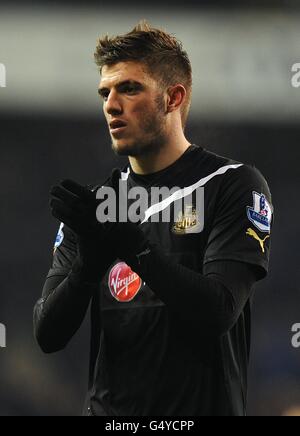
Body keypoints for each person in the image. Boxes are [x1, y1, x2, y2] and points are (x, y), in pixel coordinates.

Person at [33, 20, 273, 416]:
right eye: (105, 92)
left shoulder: (232, 185)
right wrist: (87, 266)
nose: (111, 104)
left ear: (173, 98)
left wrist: (132, 246)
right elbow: (48, 334)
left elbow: (218, 310)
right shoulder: (94, 208)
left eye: (129, 88)